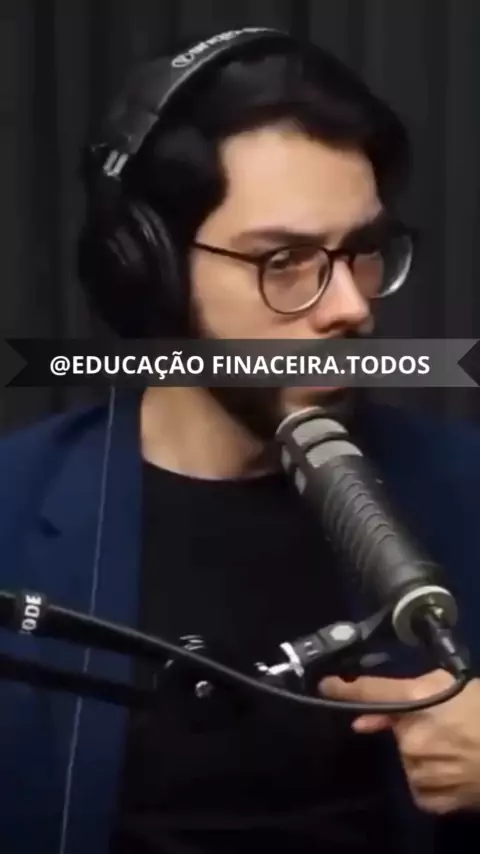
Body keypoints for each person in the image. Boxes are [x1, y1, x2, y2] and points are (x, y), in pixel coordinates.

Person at [0, 25, 479, 854]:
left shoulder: (467, 491)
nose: (351, 308)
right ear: (151, 271)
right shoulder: (12, 512)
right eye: (284, 260)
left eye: (363, 251)